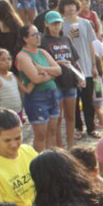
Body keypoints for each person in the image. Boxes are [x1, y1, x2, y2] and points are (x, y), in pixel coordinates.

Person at [16, 24, 62, 152]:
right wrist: (51, 75)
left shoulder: (43, 52)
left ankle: (51, 160)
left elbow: (58, 70)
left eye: (38, 34)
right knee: (41, 134)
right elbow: (35, 79)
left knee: (52, 131)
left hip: (52, 93)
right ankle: (40, 164)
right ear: (25, 39)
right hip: (37, 97)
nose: (38, 37)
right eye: (34, 34)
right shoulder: (23, 56)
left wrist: (43, 69)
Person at [59, 0, 99, 140]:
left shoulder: (85, 23)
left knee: (88, 99)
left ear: (77, 6)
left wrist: (94, 65)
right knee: (73, 101)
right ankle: (78, 127)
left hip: (86, 66)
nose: (70, 8)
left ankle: (91, 127)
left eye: (72, 5)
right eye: (66, 6)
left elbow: (90, 44)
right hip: (70, 69)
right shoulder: (61, 25)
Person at [40, 10, 81, 149]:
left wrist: (80, 75)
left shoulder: (66, 39)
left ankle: (71, 145)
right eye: (53, 24)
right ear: (46, 24)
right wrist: (57, 62)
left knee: (71, 116)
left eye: (58, 23)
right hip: (55, 82)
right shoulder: (43, 41)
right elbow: (42, 63)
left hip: (70, 80)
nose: (56, 26)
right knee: (57, 118)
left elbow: (74, 60)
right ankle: (60, 146)